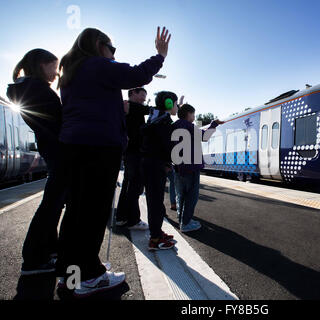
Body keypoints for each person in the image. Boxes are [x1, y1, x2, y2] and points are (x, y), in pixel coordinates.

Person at [55, 26, 171, 297]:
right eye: (112, 49)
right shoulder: (97, 64)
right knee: (94, 211)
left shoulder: (70, 72)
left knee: (76, 212)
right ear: (98, 44)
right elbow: (136, 75)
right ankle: (91, 275)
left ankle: (70, 276)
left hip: (73, 146)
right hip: (98, 146)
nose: (113, 55)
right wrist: (160, 56)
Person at [6, 49, 67, 275]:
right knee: (51, 204)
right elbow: (58, 119)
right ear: (42, 64)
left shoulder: (25, 88)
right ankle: (33, 258)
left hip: (51, 149)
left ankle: (48, 250)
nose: (56, 73)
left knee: (54, 202)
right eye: (54, 67)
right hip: (58, 150)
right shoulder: (36, 89)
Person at [172, 104, 223, 232]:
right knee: (191, 196)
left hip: (177, 167)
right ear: (188, 114)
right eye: (193, 114)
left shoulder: (173, 126)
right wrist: (214, 124)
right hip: (191, 167)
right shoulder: (189, 126)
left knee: (180, 194)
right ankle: (186, 223)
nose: (194, 117)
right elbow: (205, 137)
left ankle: (181, 219)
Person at [140, 91, 180, 250]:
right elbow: (167, 146)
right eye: (175, 103)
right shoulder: (163, 122)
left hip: (151, 163)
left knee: (155, 200)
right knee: (155, 201)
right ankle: (155, 239)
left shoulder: (155, 117)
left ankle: (157, 232)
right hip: (155, 165)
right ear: (169, 103)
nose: (176, 106)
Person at [116, 88, 150, 230]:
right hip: (134, 152)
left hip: (131, 151)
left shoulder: (131, 108)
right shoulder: (130, 105)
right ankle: (133, 220)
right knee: (134, 186)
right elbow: (150, 110)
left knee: (128, 185)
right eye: (142, 94)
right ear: (133, 93)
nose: (144, 97)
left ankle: (122, 217)